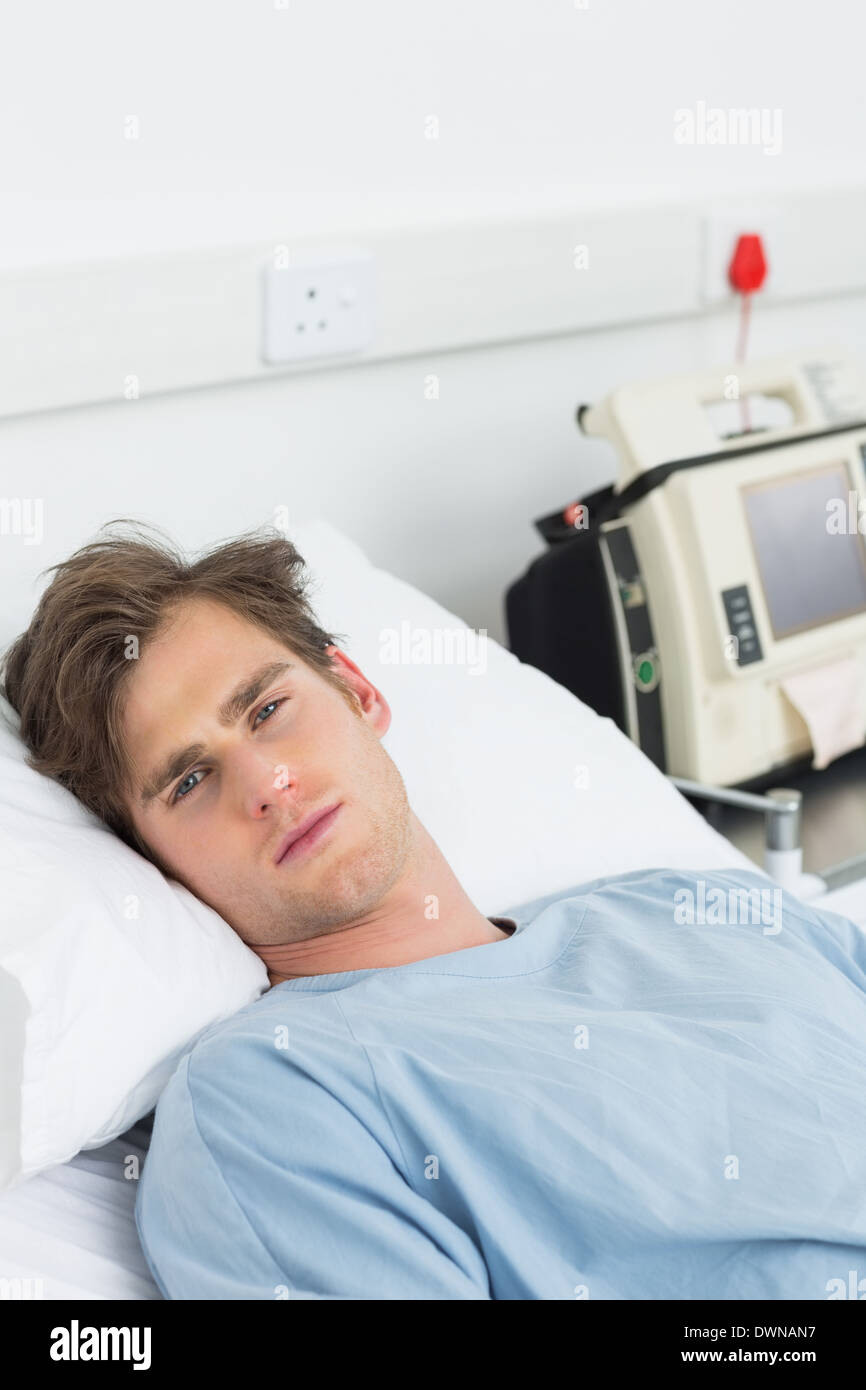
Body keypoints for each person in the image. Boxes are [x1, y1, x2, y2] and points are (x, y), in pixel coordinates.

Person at [4, 519, 866, 1301]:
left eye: (269, 710)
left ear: (359, 693)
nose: (266, 784)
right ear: (157, 867)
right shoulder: (269, 1101)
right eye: (190, 781)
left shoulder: (689, 904)